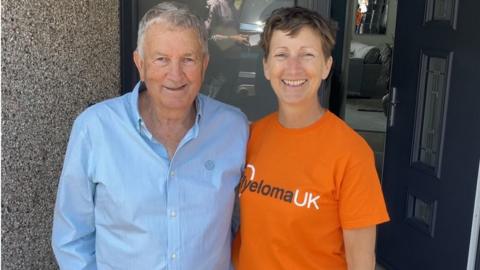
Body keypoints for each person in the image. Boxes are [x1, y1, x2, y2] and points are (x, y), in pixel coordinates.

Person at [51, 2, 248, 269]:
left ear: (205, 64)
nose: (175, 74)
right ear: (140, 64)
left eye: (188, 59)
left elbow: (244, 225)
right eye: (161, 59)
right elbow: (72, 236)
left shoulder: (234, 128)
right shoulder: (95, 129)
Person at [233, 7, 389, 270]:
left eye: (307, 55)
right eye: (282, 54)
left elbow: (361, 262)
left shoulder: (351, 153)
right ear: (267, 66)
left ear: (326, 66)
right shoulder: (250, 136)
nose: (293, 68)